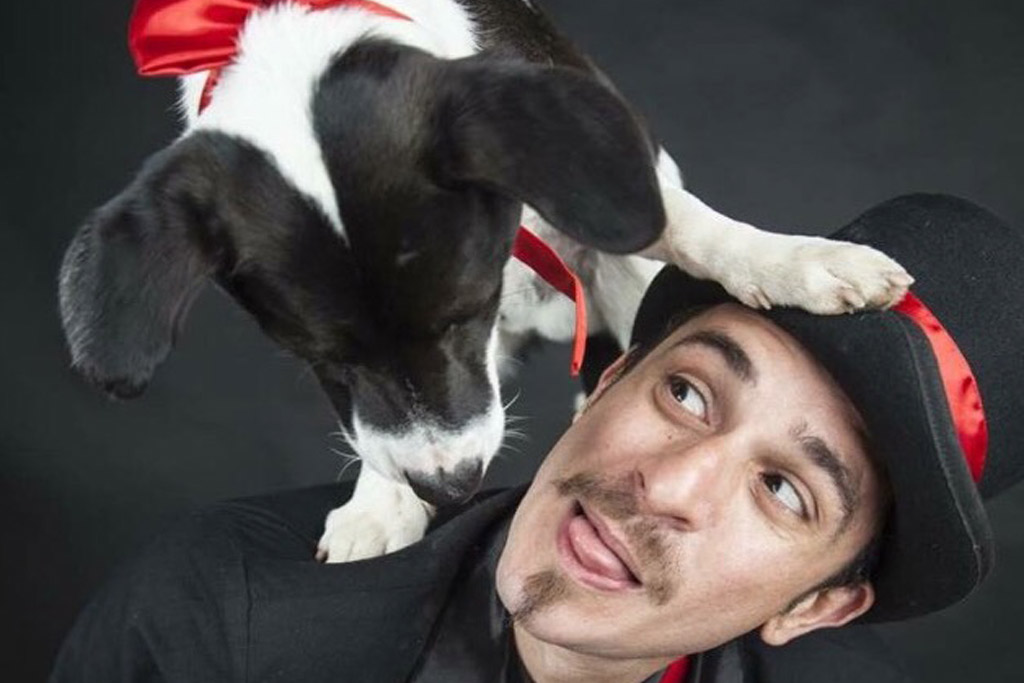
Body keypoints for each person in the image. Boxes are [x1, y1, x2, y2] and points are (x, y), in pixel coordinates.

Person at [49, 193, 1024, 683]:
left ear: (818, 603)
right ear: (608, 378)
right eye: (688, 392)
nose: (668, 483)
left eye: (783, 489)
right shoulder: (221, 617)